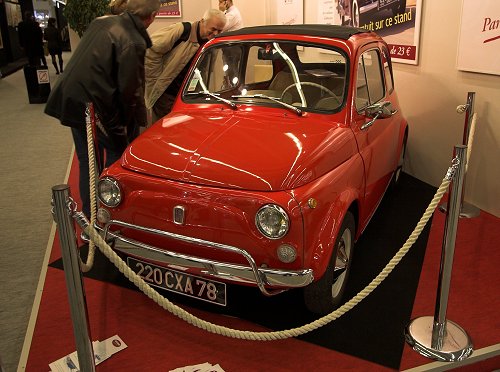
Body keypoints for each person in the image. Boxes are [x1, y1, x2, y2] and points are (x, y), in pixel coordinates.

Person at [44, 0, 160, 217]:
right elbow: (129, 94)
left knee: (87, 160)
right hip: (93, 106)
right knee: (116, 157)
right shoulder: (134, 41)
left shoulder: (102, 22)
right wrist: (122, 133)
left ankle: (91, 215)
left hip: (72, 99)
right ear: (152, 16)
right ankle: (109, 214)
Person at [145, 9, 226, 123]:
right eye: (213, 29)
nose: (216, 34)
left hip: (187, 99)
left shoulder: (212, 44)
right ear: (203, 21)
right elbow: (151, 49)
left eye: (220, 30)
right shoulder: (181, 30)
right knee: (162, 132)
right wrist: (155, 80)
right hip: (166, 95)